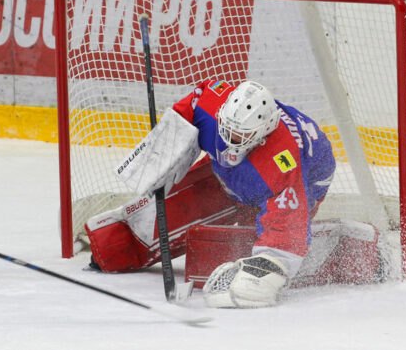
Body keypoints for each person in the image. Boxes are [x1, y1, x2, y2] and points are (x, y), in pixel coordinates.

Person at [85, 79, 336, 308]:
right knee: (114, 243)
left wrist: (270, 264)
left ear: (263, 133)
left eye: (240, 135)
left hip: (303, 180)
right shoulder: (209, 104)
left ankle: (335, 249)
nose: (230, 137)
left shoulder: (283, 162)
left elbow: (286, 225)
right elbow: (186, 113)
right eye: (228, 128)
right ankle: (120, 246)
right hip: (230, 174)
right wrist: (164, 153)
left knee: (254, 248)